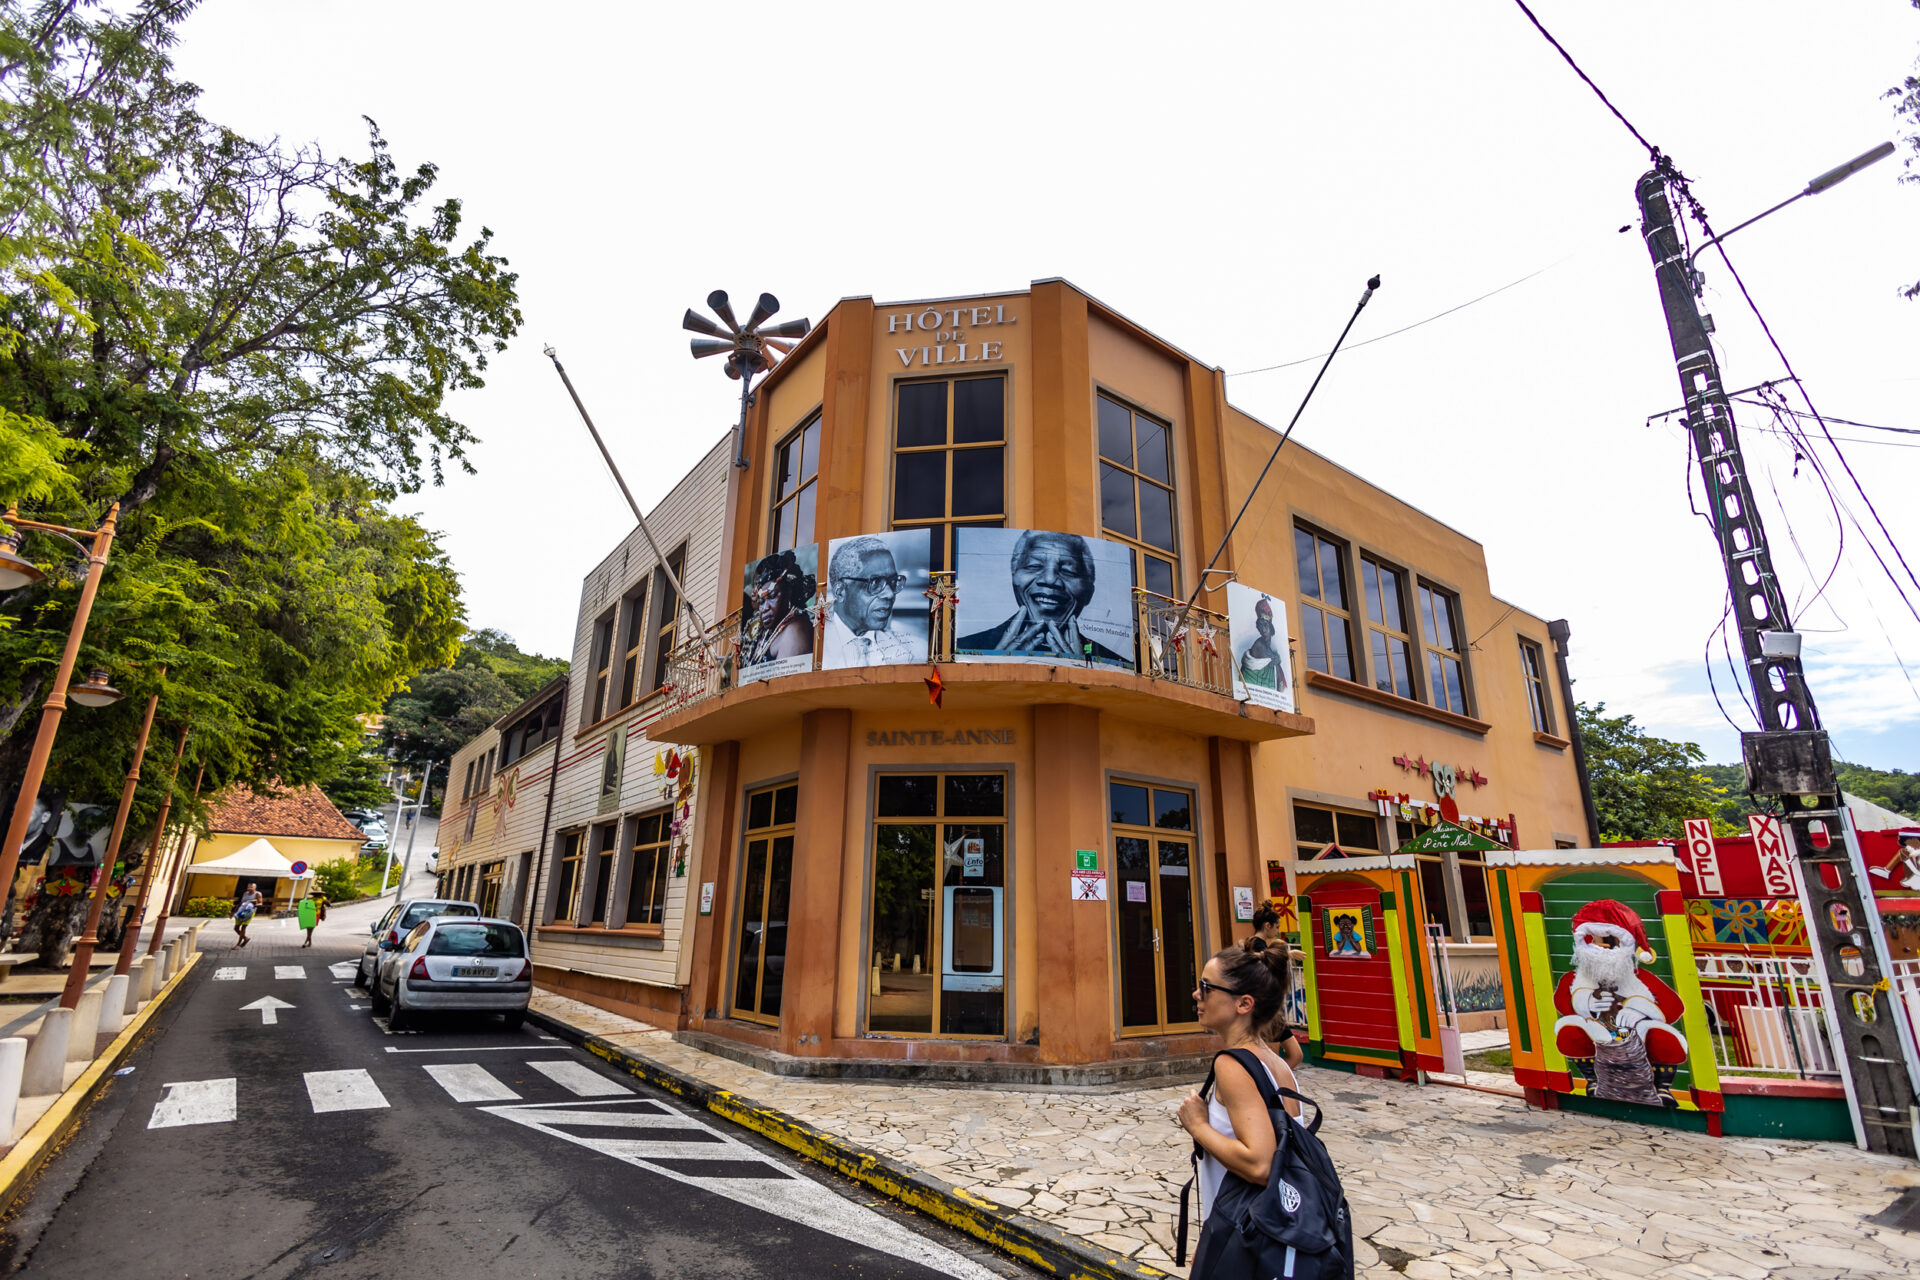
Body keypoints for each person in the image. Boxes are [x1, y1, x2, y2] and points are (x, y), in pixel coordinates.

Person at [1176, 937, 1303, 1275]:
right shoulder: (1279, 1066)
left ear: (1244, 1004)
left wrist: (1197, 1125)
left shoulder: (1233, 1066)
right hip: (1268, 1233)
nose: (1197, 995)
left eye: (1206, 987)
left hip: (1245, 1240)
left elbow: (1260, 1165)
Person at [956, 530, 1125, 663]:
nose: (1050, 580)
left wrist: (1081, 671)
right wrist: (992, 666)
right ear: (1014, 579)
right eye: (1034, 566)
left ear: (1088, 592)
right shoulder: (965, 647)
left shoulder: (1113, 662)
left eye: (1068, 571)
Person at [825, 537, 920, 667]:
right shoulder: (810, 643)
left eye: (893, 581)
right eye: (875, 583)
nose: (890, 594)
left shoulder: (915, 649)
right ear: (840, 591)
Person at [1247, 902, 1305, 1070]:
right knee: (1274, 1061)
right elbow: (1258, 958)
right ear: (1267, 925)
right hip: (1267, 1010)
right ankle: (1270, 1082)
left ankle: (1273, 1080)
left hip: (1272, 1009)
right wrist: (1289, 954)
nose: (1278, 931)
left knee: (1295, 1055)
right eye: (1277, 927)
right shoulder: (1256, 945)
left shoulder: (1260, 945)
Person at [740, 550, 816, 671]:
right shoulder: (771, 626)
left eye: (772, 596)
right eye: (761, 601)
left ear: (789, 591)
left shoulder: (794, 632)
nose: (764, 608)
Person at [1236, 595, 1288, 694]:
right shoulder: (1258, 645)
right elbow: (1271, 662)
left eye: (1265, 626)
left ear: (1271, 628)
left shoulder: (1270, 648)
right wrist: (1276, 661)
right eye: (1260, 626)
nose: (1263, 630)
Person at [233, 882, 264, 948]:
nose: (249, 888)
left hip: (249, 911)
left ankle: (238, 944)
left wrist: (251, 904)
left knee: (243, 927)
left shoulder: (258, 894)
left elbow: (261, 903)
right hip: (241, 910)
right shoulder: (245, 893)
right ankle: (245, 938)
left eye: (251, 887)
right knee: (236, 928)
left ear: (255, 888)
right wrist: (234, 912)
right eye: (248, 887)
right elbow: (241, 903)